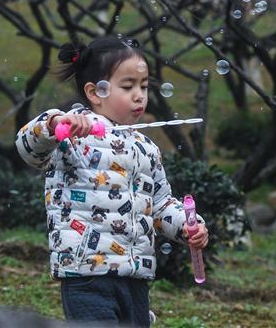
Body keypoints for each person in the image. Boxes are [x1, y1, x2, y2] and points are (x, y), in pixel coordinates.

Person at [16, 36, 208, 327]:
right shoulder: (71, 134)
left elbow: (159, 204)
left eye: (143, 87)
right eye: (128, 86)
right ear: (95, 92)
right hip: (86, 272)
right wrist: (55, 124)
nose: (139, 96)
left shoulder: (146, 148)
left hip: (136, 274)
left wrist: (186, 224)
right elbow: (28, 147)